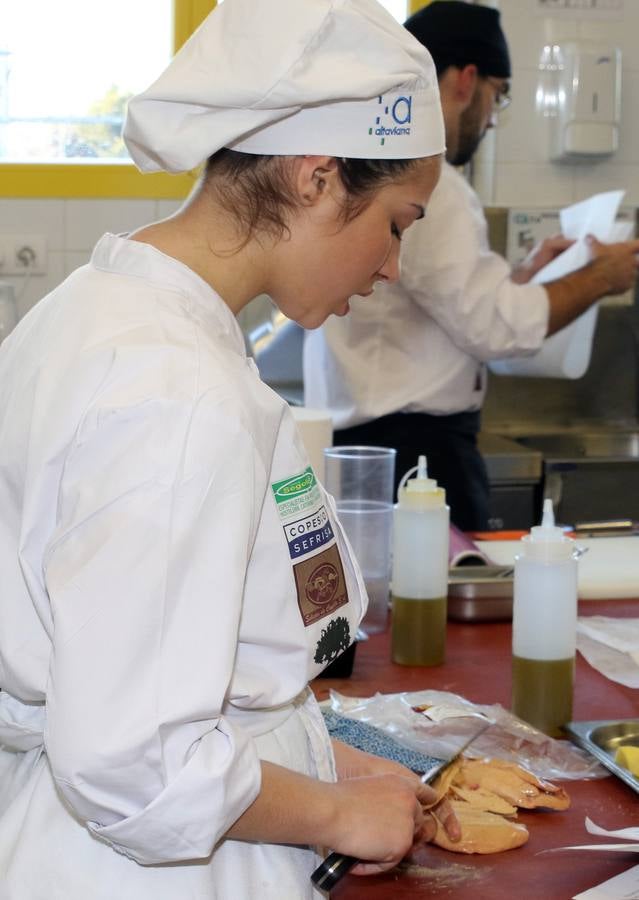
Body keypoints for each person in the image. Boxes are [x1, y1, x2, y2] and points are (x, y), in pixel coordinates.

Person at [0, 2, 462, 898]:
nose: (392, 267)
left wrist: (316, 762)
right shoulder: (178, 397)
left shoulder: (97, 308)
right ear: (315, 178)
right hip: (154, 872)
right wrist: (334, 813)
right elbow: (133, 761)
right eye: (399, 224)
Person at [303, 0, 639, 532]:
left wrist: (524, 277)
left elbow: (453, 306)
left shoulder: (378, 165)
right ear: (466, 79)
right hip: (417, 457)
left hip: (372, 449)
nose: (491, 118)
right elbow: (497, 328)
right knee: (431, 612)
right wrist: (601, 275)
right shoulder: (433, 187)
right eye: (497, 96)